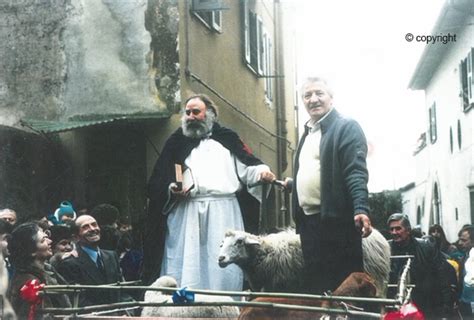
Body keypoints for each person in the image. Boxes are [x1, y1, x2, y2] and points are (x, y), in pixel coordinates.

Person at [142, 93, 276, 289]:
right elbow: (159, 180)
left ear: (210, 114)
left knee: (221, 265)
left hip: (223, 212)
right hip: (186, 214)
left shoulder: (227, 138)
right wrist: (172, 189)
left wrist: (262, 172)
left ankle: (225, 310)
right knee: (187, 264)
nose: (191, 116)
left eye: (196, 112)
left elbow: (248, 166)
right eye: (187, 112)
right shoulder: (176, 142)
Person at [288, 77, 372, 294]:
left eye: (319, 93)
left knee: (346, 291)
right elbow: (318, 174)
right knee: (318, 291)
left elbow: (355, 172)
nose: (313, 99)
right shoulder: (307, 134)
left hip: (338, 224)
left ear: (331, 98)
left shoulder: (346, 127)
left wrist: (361, 208)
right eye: (307, 95)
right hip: (309, 225)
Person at [56, 215, 133, 308]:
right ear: (76, 237)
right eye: (85, 227)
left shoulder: (112, 256)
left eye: (94, 224)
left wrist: (128, 311)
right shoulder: (70, 263)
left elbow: (122, 291)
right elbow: (78, 301)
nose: (92, 229)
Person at [387, 213, 454, 318]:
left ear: (408, 230)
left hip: (426, 305)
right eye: (391, 229)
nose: (394, 232)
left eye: (398, 228)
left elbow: (443, 278)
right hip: (397, 305)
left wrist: (446, 310)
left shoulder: (427, 247)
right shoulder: (386, 249)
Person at [7, 222, 71, 319]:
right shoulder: (30, 282)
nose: (50, 241)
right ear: (31, 251)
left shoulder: (48, 271)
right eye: (43, 240)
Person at [457, 225, 474, 317]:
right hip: (465, 302)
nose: (459, 243)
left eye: (464, 240)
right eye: (460, 240)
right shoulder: (464, 257)